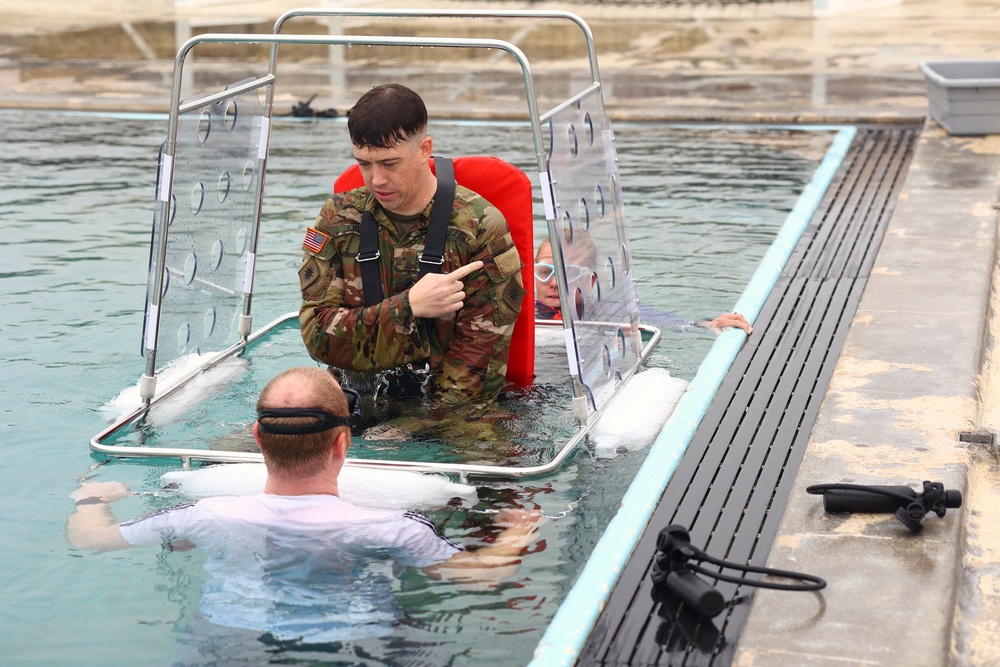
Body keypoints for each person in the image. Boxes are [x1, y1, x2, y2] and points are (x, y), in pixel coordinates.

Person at [66, 366, 543, 643]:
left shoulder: (201, 515)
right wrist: (519, 528)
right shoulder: (396, 528)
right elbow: (482, 575)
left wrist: (94, 496)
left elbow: (90, 539)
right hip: (361, 640)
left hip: (229, 639)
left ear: (256, 439)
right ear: (342, 445)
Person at [298, 83, 525, 408]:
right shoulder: (337, 217)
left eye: (389, 164)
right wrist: (408, 307)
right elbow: (317, 338)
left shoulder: (481, 227)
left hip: (449, 416)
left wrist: (409, 432)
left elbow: (476, 372)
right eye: (364, 163)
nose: (376, 179)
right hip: (352, 400)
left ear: (424, 149)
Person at [533, 237, 753, 335]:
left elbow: (671, 323)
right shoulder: (520, 314)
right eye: (544, 272)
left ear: (591, 281)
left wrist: (708, 324)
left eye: (569, 274)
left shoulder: (613, 312)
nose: (553, 283)